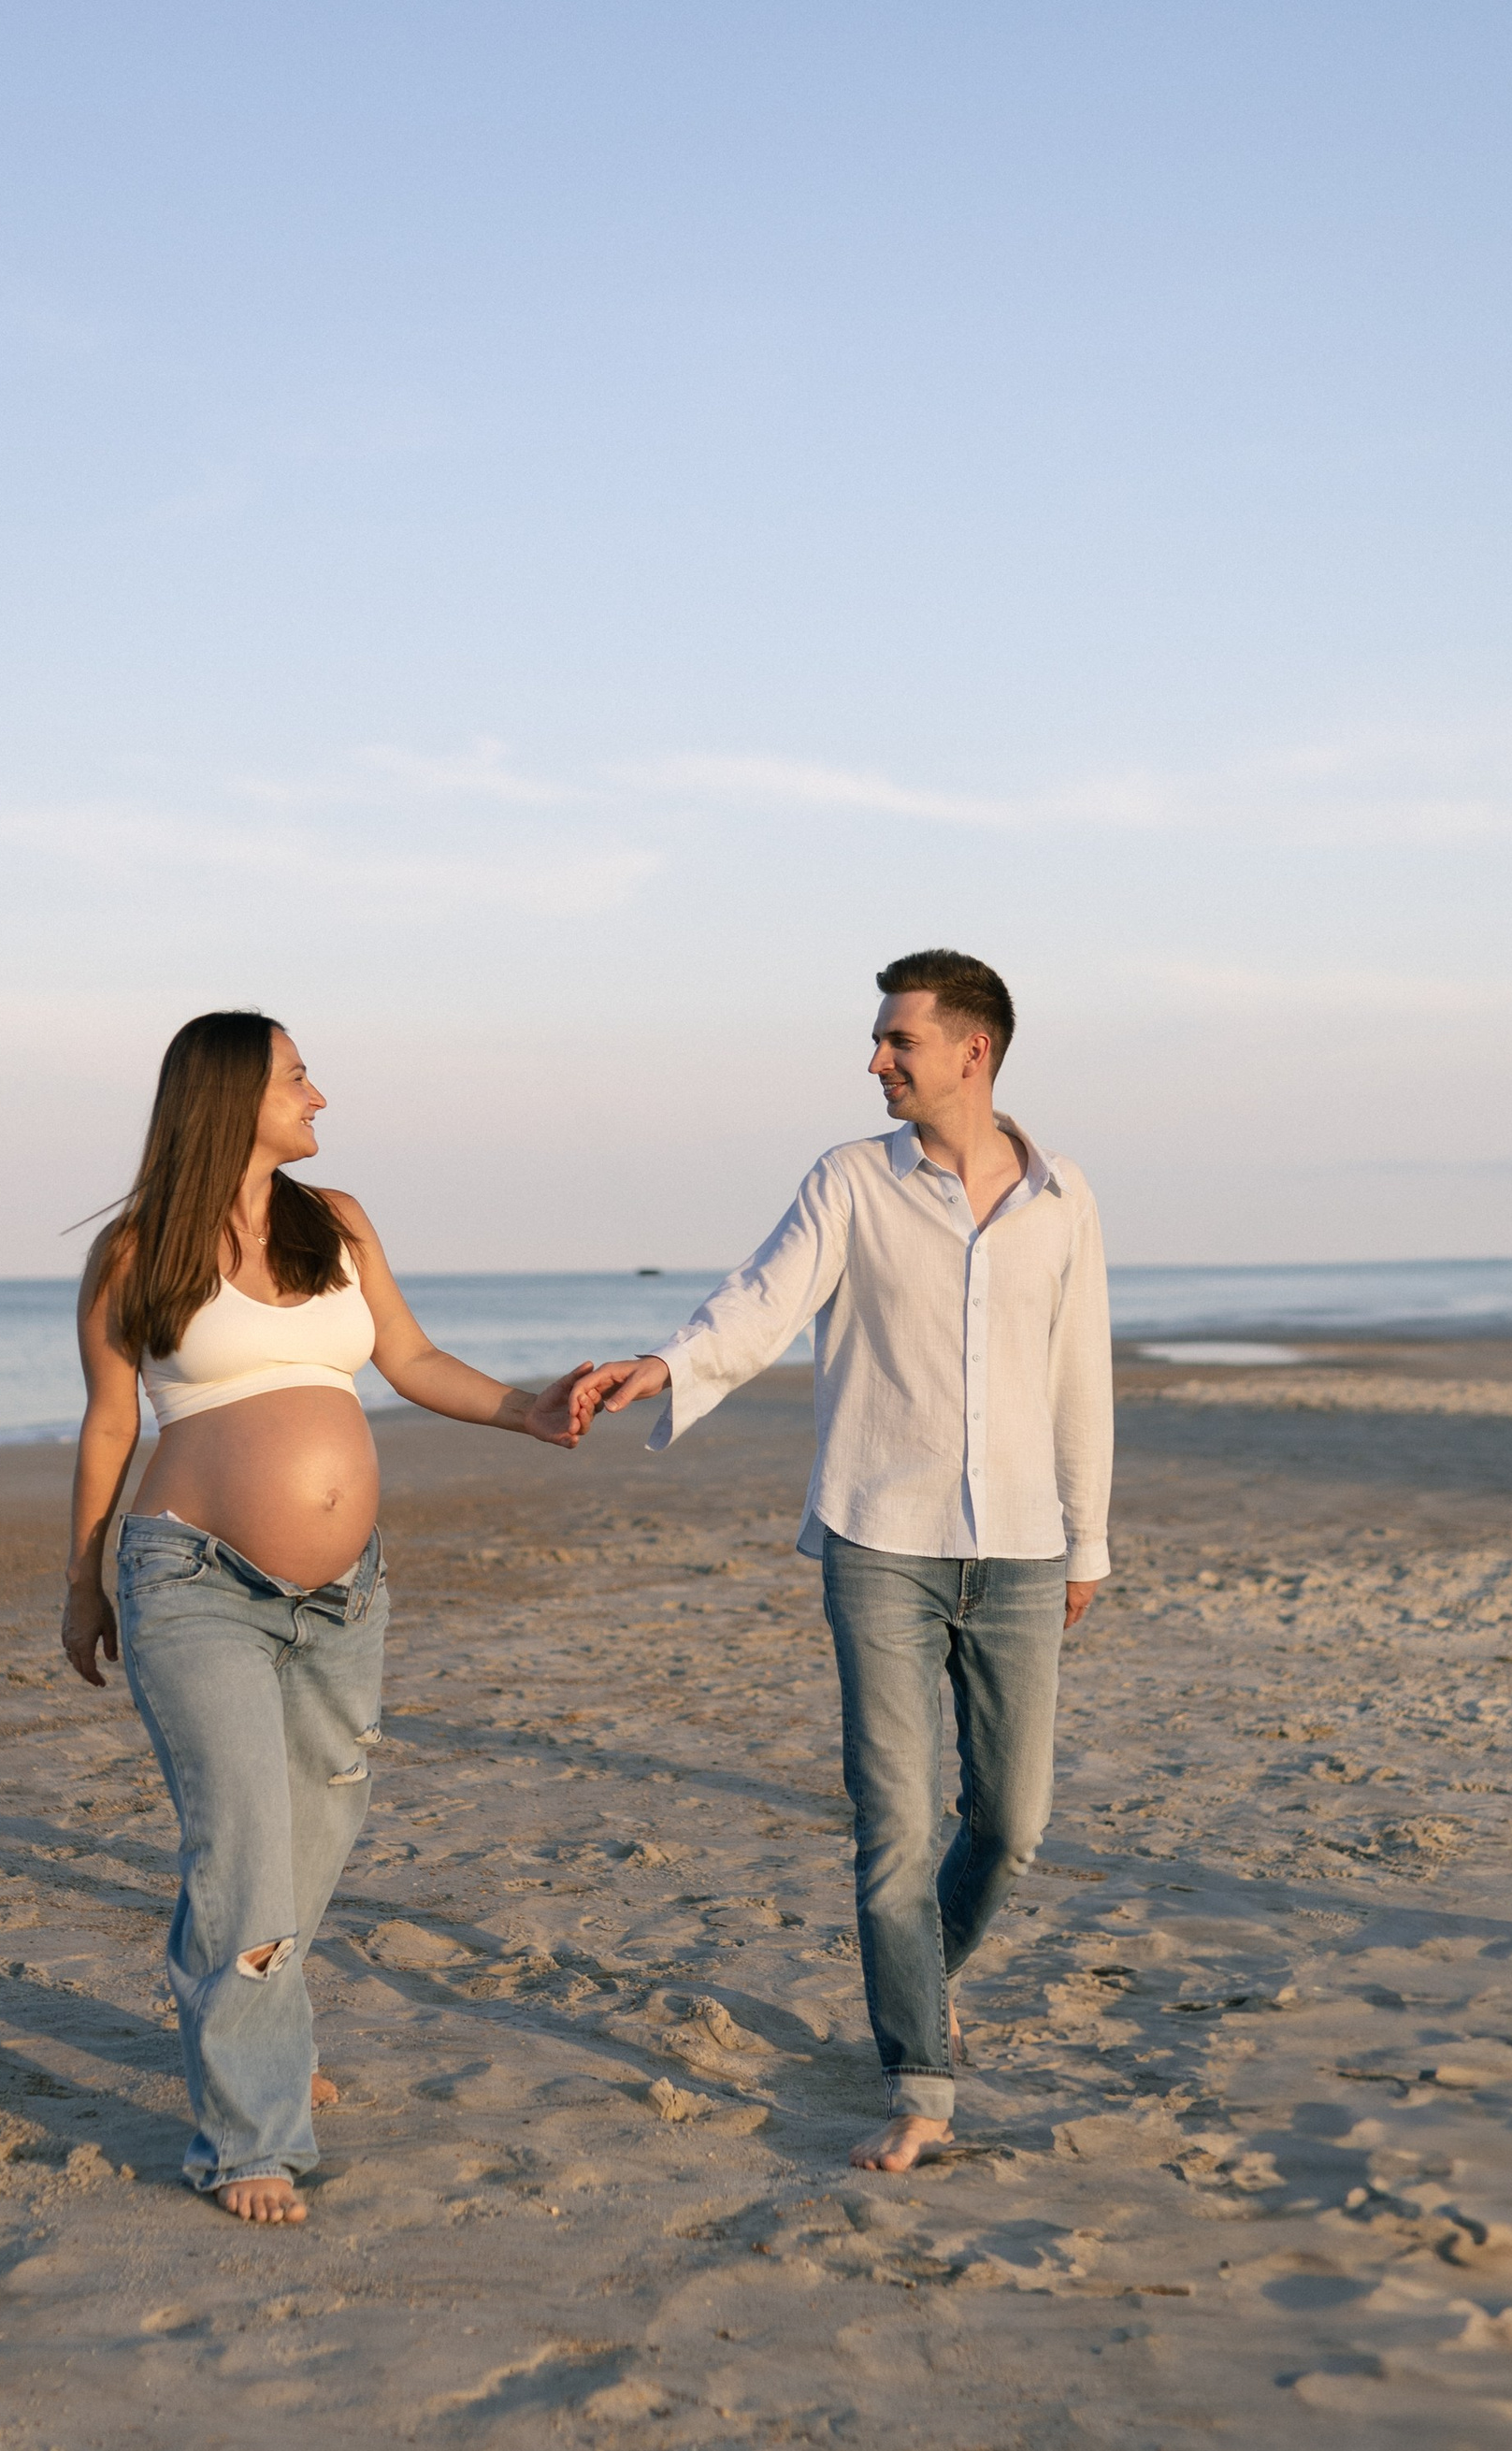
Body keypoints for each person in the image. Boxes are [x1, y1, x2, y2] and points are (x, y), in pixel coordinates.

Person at [574, 949, 1112, 2173]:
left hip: (1024, 1547)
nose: (875, 1062)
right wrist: (666, 1366)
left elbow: (1082, 1371)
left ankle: (921, 1977)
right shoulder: (850, 1184)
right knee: (895, 1825)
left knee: (1014, 1820)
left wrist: (1089, 1537)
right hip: (879, 1540)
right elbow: (760, 1301)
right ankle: (920, 2079)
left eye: (897, 1042)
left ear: (972, 1053)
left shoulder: (1064, 1196)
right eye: (878, 1042)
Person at [63, 1010, 590, 2226]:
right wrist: (81, 1585)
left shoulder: (336, 1222)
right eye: (299, 1077)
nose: (321, 1096)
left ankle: (263, 2028)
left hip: (344, 1598)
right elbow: (106, 1426)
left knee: (318, 1830)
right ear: (232, 1096)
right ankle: (248, 2139)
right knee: (244, 1848)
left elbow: (403, 1356)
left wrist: (529, 1409)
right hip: (193, 1585)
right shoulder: (138, 1250)